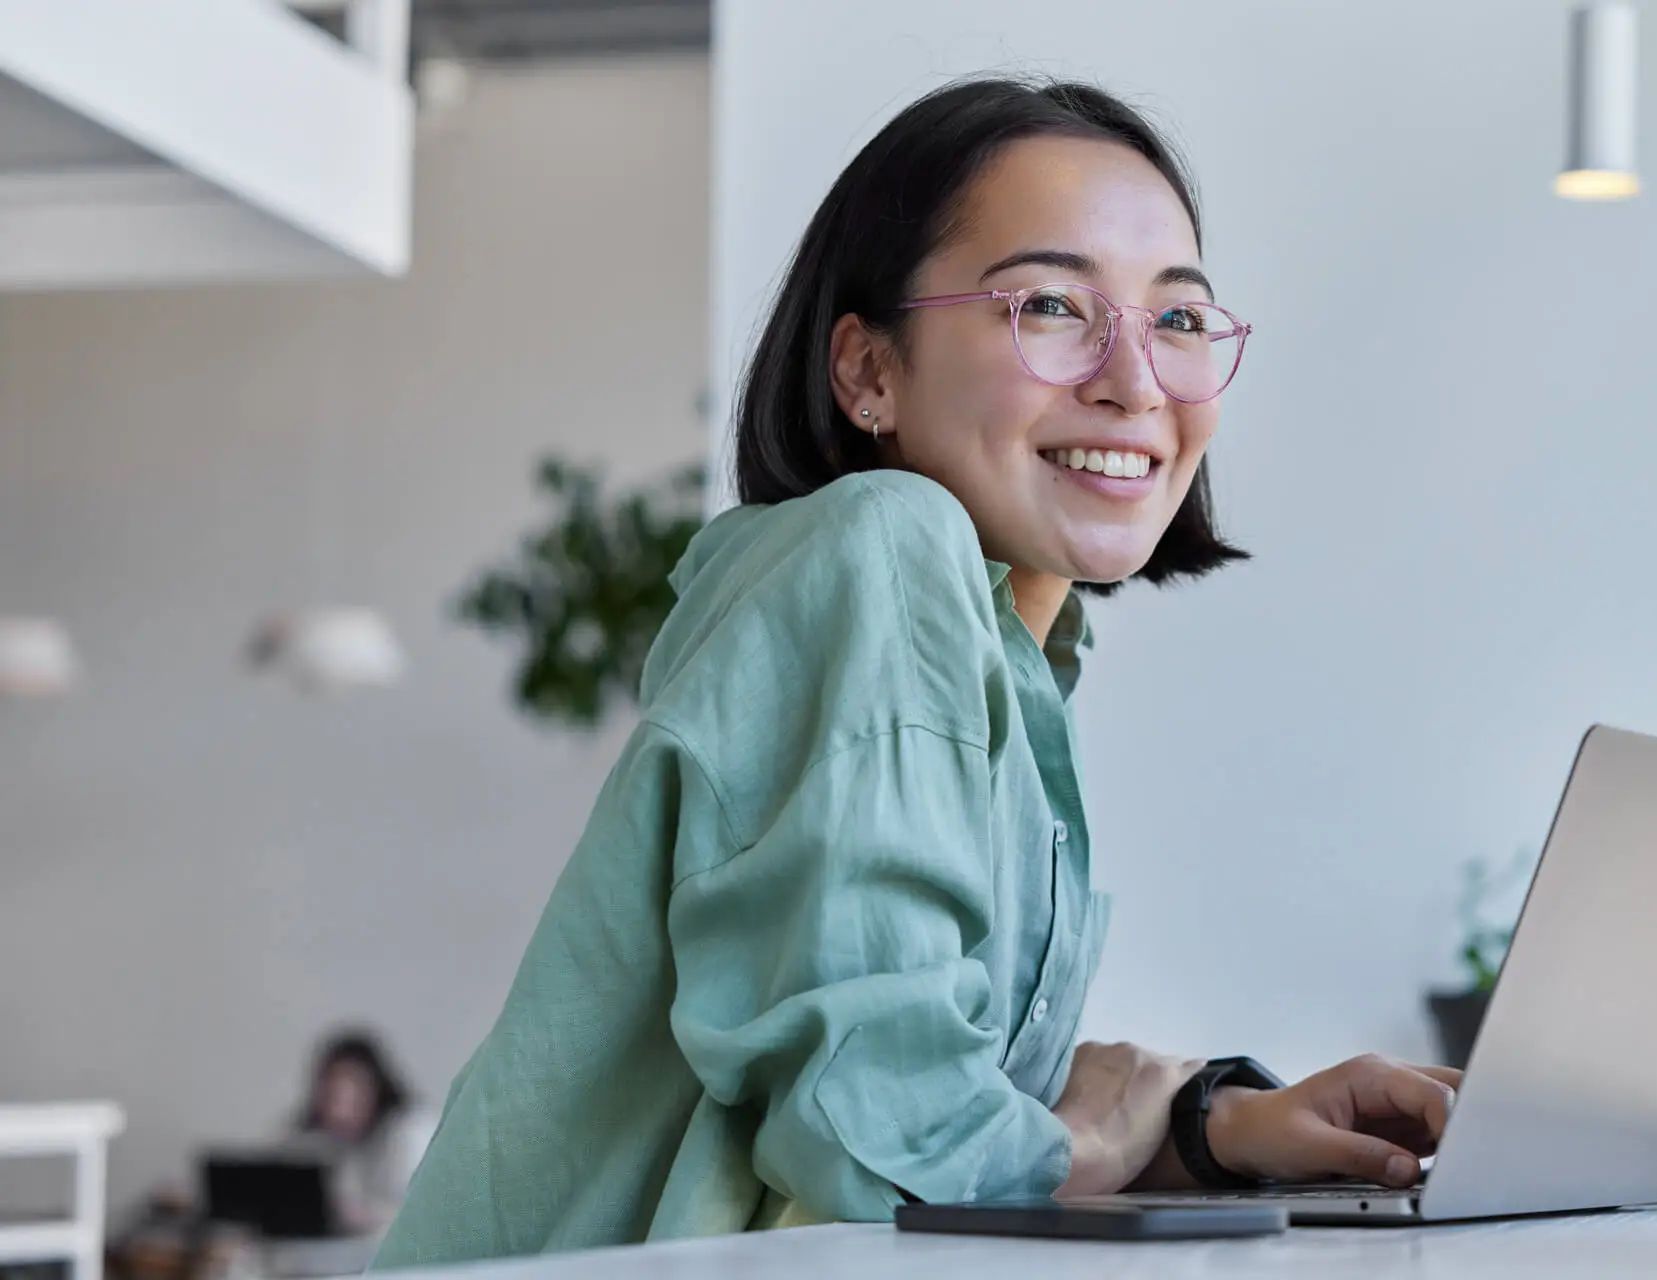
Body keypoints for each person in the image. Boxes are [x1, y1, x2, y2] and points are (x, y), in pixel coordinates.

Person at [372, 76, 1459, 1267]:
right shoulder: (881, 546)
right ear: (868, 373)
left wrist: (1216, 1123)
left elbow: (942, 1104)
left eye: (1180, 320)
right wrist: (1103, 1136)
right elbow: (884, 1138)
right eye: (1051, 304)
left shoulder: (1013, 653)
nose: (1136, 381)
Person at [282, 1031, 432, 1236]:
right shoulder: (326, 1142)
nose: (339, 1111)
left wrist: (361, 1217)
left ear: (377, 1090)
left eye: (351, 1096)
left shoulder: (411, 1133)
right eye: (331, 1096)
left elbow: (426, 1217)